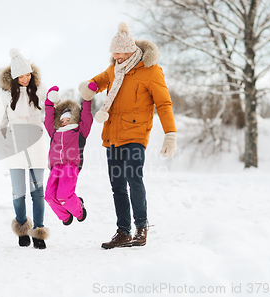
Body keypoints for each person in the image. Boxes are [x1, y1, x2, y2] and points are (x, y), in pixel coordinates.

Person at [81, 22, 178, 249]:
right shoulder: (114, 68)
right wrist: (90, 86)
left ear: (131, 50)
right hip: (112, 135)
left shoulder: (151, 70)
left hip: (135, 135)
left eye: (120, 52)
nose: (116, 56)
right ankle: (123, 231)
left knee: (133, 179)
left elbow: (163, 104)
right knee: (117, 184)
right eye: (113, 52)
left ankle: (141, 228)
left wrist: (170, 134)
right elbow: (97, 82)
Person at [0, 48, 49, 249]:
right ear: (14, 77)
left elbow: (52, 113)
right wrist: (2, 142)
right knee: (18, 193)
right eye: (21, 76)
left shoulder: (40, 90)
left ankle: (38, 231)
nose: (25, 78)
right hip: (15, 146)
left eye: (28, 74)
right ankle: (22, 226)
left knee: (38, 192)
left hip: (37, 146)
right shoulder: (5, 95)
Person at [43, 83, 96, 225]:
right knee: (48, 196)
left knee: (63, 196)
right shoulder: (54, 132)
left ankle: (79, 210)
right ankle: (65, 217)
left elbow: (86, 115)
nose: (65, 122)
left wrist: (87, 99)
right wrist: (48, 102)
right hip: (55, 167)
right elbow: (48, 118)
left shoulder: (79, 131)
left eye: (68, 119)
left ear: (74, 119)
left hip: (70, 165)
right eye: (62, 120)